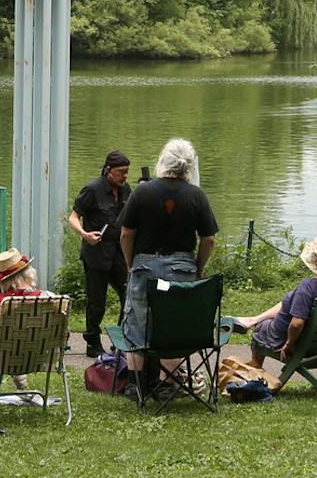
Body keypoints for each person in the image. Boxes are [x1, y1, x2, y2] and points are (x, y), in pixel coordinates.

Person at [116, 137, 218, 379]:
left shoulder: (142, 191)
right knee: (175, 323)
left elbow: (126, 233)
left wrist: (131, 263)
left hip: (145, 266)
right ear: (189, 166)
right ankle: (168, 383)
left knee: (137, 323)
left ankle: (136, 384)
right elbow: (209, 239)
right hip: (182, 269)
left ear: (163, 161)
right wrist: (199, 267)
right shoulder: (197, 195)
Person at [245, 235, 317, 369]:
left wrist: (289, 344)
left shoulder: (309, 287)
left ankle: (255, 371)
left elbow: (296, 324)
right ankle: (253, 320)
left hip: (299, 346)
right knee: (289, 300)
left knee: (261, 328)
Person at [68, 150, 132, 357]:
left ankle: (121, 339)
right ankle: (92, 342)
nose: (125, 176)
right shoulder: (93, 190)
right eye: (121, 172)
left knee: (129, 294)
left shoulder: (126, 190)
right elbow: (73, 217)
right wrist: (84, 234)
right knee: (97, 300)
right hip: (96, 253)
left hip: (118, 252)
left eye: (127, 172)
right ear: (109, 171)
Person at [0, 251, 46, 390]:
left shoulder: (0, 302)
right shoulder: (47, 298)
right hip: (39, 354)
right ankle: (18, 371)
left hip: (4, 355)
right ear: (29, 274)